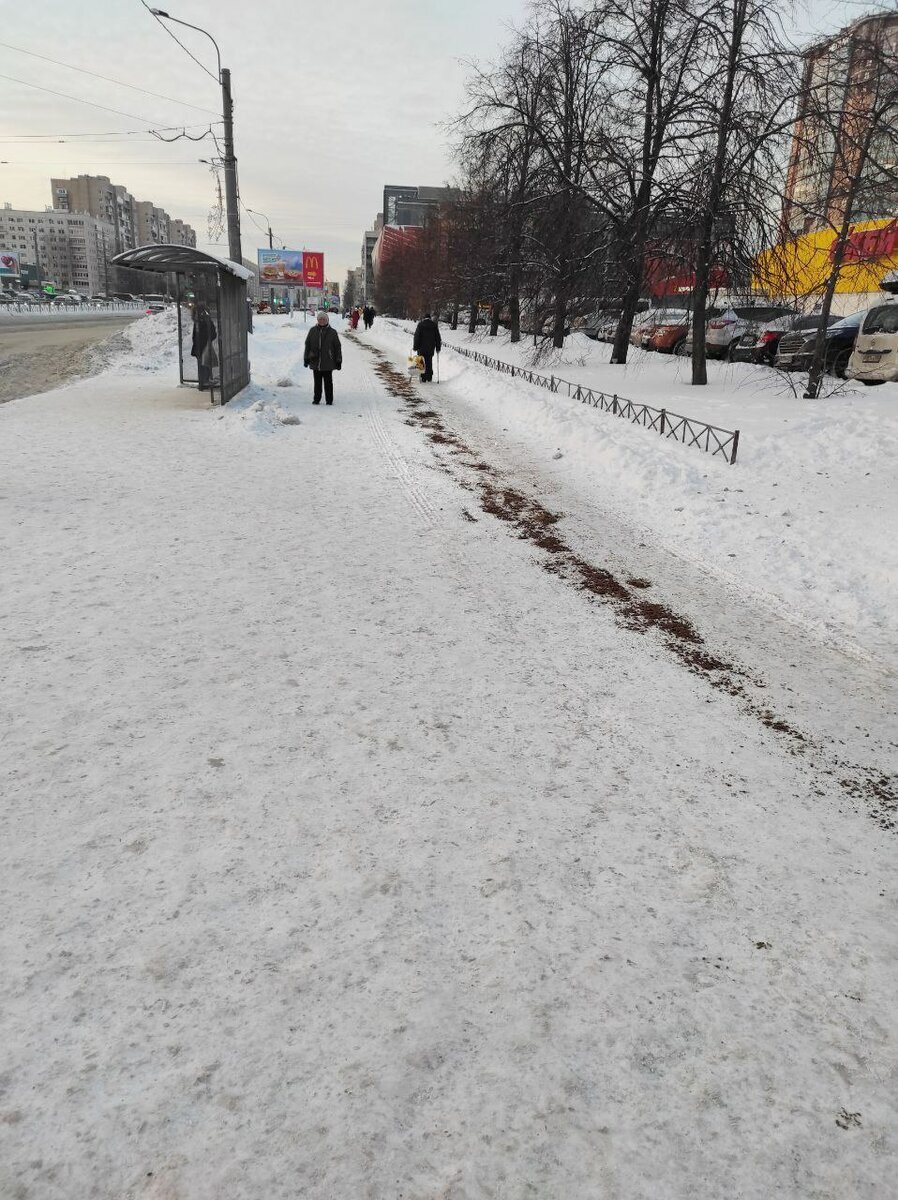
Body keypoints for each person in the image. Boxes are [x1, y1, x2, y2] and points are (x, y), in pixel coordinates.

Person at [303, 310, 342, 405]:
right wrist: (306, 358)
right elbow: (307, 344)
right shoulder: (312, 331)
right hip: (315, 361)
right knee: (317, 383)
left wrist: (338, 360)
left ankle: (329, 400)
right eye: (320, 319)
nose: (322, 321)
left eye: (324, 319)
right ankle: (316, 399)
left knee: (328, 383)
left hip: (328, 361)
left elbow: (337, 347)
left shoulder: (332, 332)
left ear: (327, 320)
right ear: (317, 320)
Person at [191, 304, 217, 391]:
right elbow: (213, 334)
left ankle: (203, 382)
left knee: (202, 365)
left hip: (200, 346)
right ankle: (205, 381)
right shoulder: (207, 321)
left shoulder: (197, 322)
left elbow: (194, 336)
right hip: (204, 346)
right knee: (206, 364)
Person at [413, 312, 441, 382]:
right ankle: (429, 376)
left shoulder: (420, 325)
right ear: (430, 318)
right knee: (429, 361)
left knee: (421, 360)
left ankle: (422, 377)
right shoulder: (434, 325)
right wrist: (438, 348)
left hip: (421, 347)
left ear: (424, 318)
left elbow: (417, 337)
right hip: (430, 348)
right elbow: (438, 338)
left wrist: (415, 347)